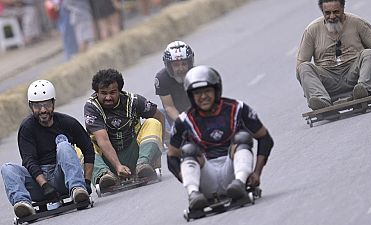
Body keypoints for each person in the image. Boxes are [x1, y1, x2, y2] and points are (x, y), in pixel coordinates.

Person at [167, 66, 274, 210]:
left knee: (242, 138)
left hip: (234, 171)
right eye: (198, 93)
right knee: (188, 150)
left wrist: (256, 173)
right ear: (191, 96)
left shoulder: (238, 109)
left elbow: (265, 138)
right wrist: (189, 181)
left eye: (207, 91)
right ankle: (193, 195)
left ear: (217, 90)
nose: (203, 96)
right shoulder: (183, 120)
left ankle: (239, 184)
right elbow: (172, 157)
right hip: (207, 176)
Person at [0, 80, 94, 219]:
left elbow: (88, 149)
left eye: (47, 105)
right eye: (37, 106)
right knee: (7, 168)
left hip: (62, 176)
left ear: (53, 104)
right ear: (31, 106)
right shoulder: (27, 128)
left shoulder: (68, 123)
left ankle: (77, 189)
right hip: (39, 184)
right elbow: (29, 160)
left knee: (62, 144)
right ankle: (22, 204)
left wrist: (86, 181)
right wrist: (45, 185)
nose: (43, 110)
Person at [296, 0, 371, 110]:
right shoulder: (312, 30)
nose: (332, 16)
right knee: (303, 67)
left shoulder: (357, 23)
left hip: (354, 75)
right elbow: (301, 63)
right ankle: (321, 100)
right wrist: (309, 88)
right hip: (329, 78)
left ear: (343, 8)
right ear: (322, 11)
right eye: (327, 13)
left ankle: (365, 90)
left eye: (336, 12)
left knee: (369, 53)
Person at [84, 68, 165, 189]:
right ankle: (104, 175)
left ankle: (143, 164)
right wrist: (117, 166)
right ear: (97, 92)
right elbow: (103, 140)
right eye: (103, 93)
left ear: (120, 91)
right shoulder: (92, 107)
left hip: (136, 155)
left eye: (112, 92)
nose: (108, 97)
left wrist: (158, 149)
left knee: (152, 123)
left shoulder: (134, 101)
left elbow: (159, 116)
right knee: (81, 144)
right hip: (109, 162)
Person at [154, 40, 193, 135]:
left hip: (194, 112)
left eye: (184, 64)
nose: (181, 68)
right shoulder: (162, 78)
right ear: (169, 66)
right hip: (173, 115)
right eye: (176, 65)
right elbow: (169, 106)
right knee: (159, 114)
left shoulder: (196, 74)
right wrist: (184, 123)